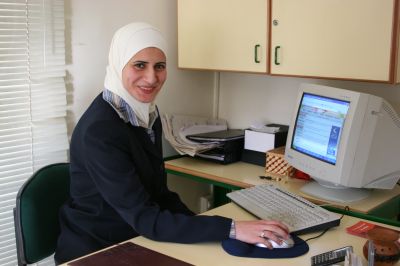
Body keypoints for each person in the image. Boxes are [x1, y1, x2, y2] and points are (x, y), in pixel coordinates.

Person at [54, 22, 289, 264]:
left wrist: (207, 226)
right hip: (96, 249)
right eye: (139, 65)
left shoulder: (146, 114)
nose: (151, 78)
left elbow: (160, 195)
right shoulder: (100, 130)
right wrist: (232, 229)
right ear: (118, 64)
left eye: (160, 66)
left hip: (134, 236)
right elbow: (146, 218)